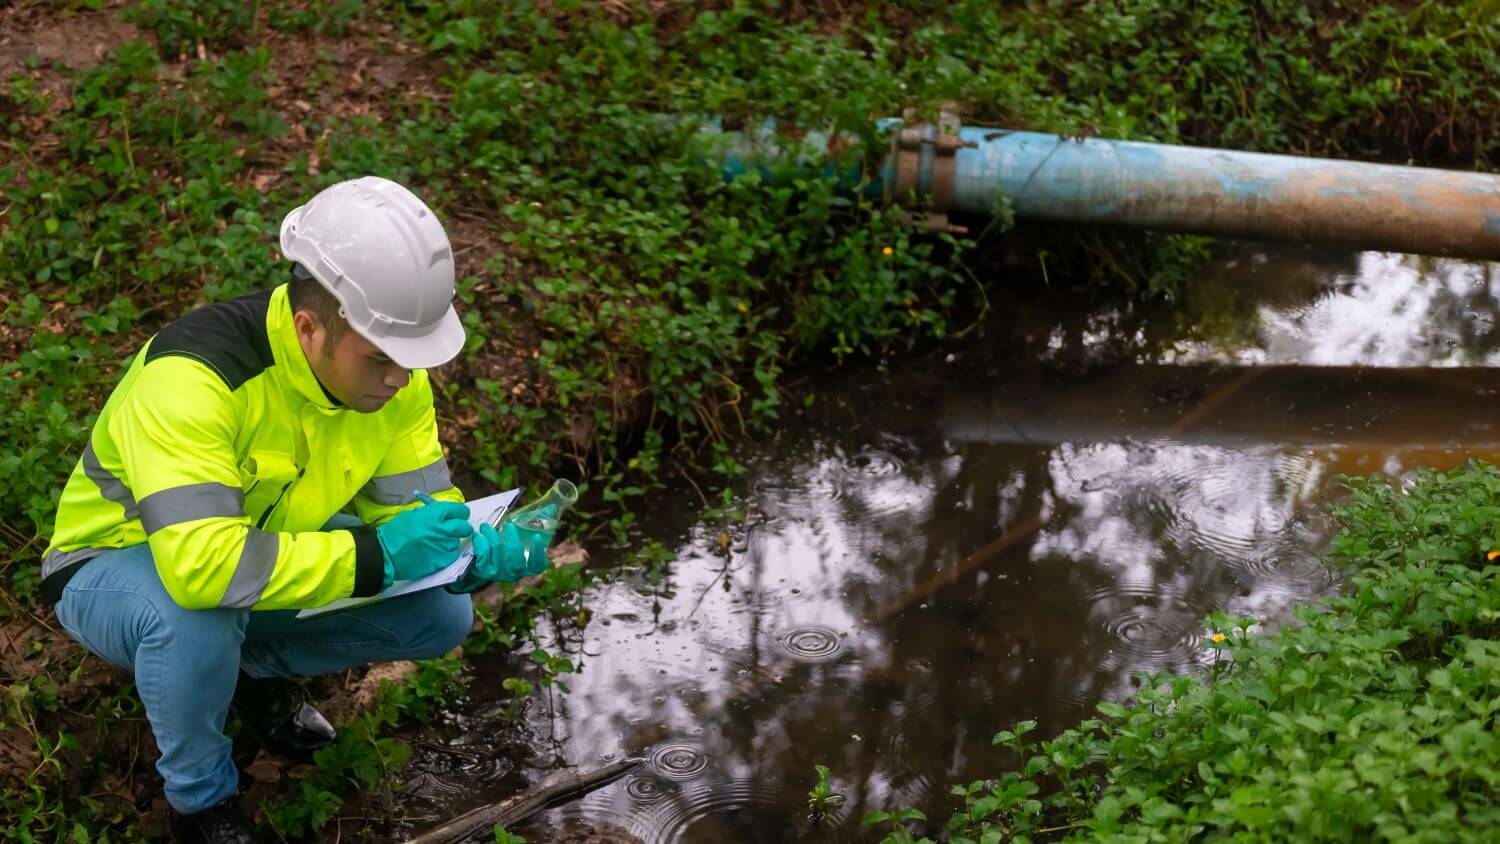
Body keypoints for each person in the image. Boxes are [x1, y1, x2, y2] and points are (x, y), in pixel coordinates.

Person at [40, 177, 547, 843]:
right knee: (194, 617)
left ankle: (246, 675)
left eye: (411, 358)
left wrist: (466, 549)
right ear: (310, 328)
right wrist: (378, 555)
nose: (400, 379)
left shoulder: (396, 384)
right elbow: (204, 569)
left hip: (264, 550)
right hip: (114, 564)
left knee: (440, 612)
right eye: (382, 359)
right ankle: (201, 803)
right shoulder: (194, 379)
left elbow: (419, 510)